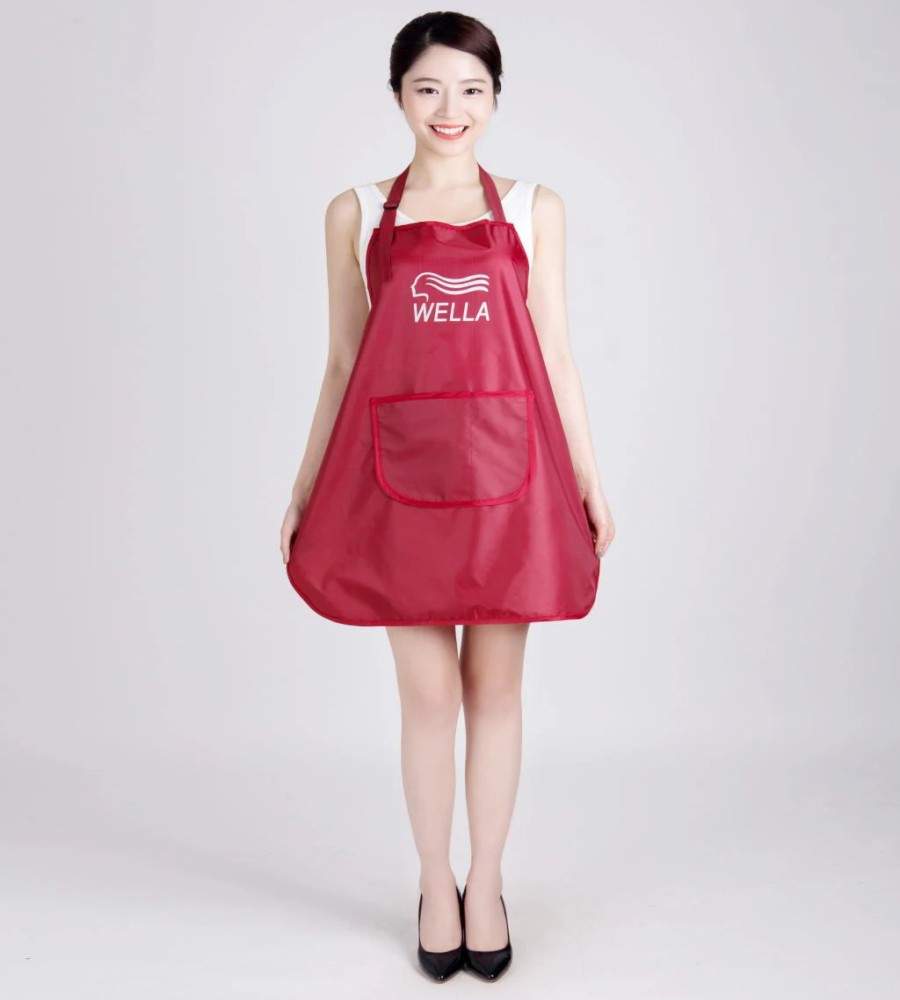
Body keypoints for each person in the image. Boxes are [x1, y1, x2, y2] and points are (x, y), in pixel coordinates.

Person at [280, 10, 615, 982]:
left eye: (471, 89)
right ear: (398, 96)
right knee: (427, 697)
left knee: (496, 690)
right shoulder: (356, 211)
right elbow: (342, 361)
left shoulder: (533, 207)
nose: (450, 108)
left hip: (512, 476)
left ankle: (489, 883)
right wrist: (303, 487)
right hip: (397, 477)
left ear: (495, 98)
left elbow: (556, 352)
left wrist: (589, 478)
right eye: (428, 88)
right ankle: (435, 883)